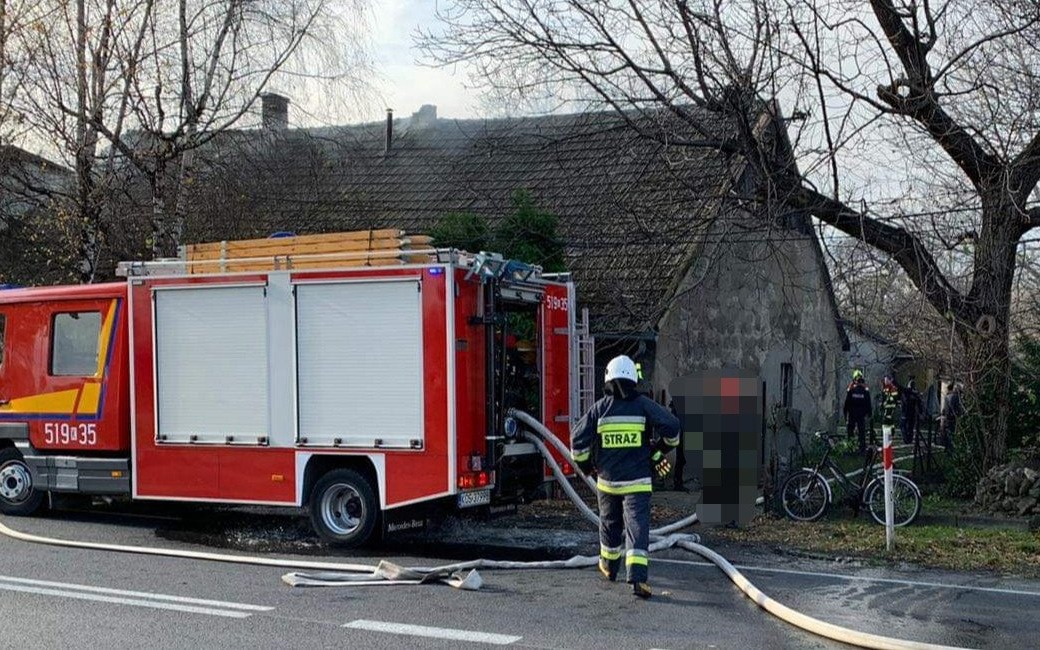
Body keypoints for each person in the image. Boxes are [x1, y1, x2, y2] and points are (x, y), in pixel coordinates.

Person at [570, 355, 680, 599]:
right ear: (633, 379)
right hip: (637, 482)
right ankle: (638, 579)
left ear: (607, 378)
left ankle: (609, 569)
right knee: (636, 527)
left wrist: (587, 466)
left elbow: (577, 441)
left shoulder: (600, 408)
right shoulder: (643, 404)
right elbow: (672, 427)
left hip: (607, 482)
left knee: (609, 524)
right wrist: (659, 449)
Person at [843, 370, 872, 453]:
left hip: (852, 414)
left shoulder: (851, 389)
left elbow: (846, 403)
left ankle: (851, 448)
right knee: (861, 432)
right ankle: (861, 448)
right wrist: (869, 414)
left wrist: (845, 415)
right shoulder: (865, 389)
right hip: (860, 415)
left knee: (851, 432)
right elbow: (868, 403)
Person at [940, 383, 965, 448]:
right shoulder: (956, 397)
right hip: (952, 417)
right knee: (951, 432)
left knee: (947, 432)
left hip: (947, 417)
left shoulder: (947, 396)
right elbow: (958, 408)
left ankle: (947, 447)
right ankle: (950, 448)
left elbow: (944, 408)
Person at [900, 379, 923, 444]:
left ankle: (906, 439)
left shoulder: (906, 393)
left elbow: (904, 401)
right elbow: (919, 403)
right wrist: (920, 411)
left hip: (905, 412)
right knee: (910, 427)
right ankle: (909, 439)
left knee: (903, 426)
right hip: (912, 413)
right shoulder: (915, 394)